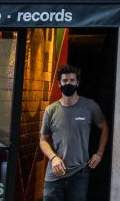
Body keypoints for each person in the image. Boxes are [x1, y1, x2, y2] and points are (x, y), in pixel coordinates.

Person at [39, 64, 109, 201]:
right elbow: (43, 140)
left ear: (78, 83)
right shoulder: (51, 110)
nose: (68, 83)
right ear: (59, 84)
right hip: (54, 174)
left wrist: (99, 153)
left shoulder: (90, 106)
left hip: (79, 173)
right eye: (65, 81)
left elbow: (105, 128)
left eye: (72, 80)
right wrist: (53, 158)